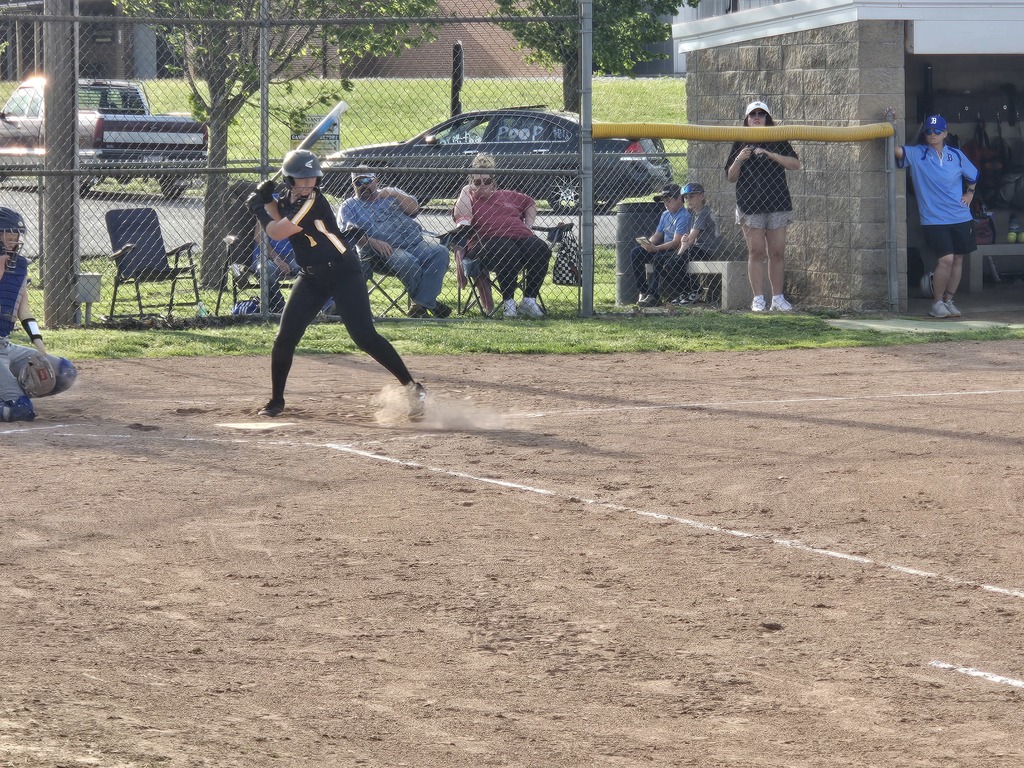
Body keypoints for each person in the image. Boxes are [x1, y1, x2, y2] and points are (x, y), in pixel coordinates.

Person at [248, 149, 426, 419]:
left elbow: (277, 230)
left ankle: (413, 388)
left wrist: (258, 208)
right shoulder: (290, 198)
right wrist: (266, 199)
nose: (307, 184)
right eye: (301, 179)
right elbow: (279, 212)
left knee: (364, 337)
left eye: (312, 179)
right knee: (285, 338)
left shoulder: (313, 202)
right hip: (311, 277)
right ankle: (276, 401)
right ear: (289, 180)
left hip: (343, 272)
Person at [895, 113, 978, 318]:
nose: (932, 134)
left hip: (961, 216)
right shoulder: (917, 153)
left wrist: (970, 193)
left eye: (937, 131)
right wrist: (892, 122)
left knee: (958, 258)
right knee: (946, 259)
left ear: (945, 133)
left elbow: (973, 174)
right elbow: (896, 151)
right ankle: (937, 303)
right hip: (934, 219)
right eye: (929, 131)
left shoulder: (956, 154)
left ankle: (949, 300)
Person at [338, 169, 451, 318]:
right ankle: (428, 304)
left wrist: (395, 193)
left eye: (367, 181)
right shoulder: (349, 206)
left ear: (376, 181)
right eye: (358, 182)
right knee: (406, 261)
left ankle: (421, 305)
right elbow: (348, 232)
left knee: (440, 252)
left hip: (415, 243)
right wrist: (372, 241)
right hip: (384, 252)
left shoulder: (391, 193)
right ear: (353, 186)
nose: (363, 185)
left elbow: (414, 209)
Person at [0, 206, 77, 422]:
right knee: (20, 411)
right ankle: (10, 398)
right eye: (8, 234)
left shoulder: (19, 266)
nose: (14, 240)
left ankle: (9, 392)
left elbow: (23, 310)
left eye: (16, 235)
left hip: (4, 345)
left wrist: (37, 340)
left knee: (64, 373)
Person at [452, 153, 550, 319]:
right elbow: (460, 215)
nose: (483, 185)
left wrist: (528, 226)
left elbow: (530, 203)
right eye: (477, 182)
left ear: (493, 182)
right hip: (485, 243)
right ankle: (509, 303)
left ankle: (529, 300)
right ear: (471, 183)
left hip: (519, 236)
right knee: (506, 249)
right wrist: (465, 190)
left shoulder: (507, 195)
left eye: (487, 181)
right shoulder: (469, 198)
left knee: (540, 248)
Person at [725, 100, 801, 312]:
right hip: (749, 205)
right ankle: (758, 299)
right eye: (753, 114)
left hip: (777, 203)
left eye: (761, 114)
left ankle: (777, 298)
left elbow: (795, 164)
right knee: (756, 251)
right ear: (747, 119)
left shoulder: (778, 138)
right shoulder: (740, 141)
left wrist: (770, 155)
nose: (757, 117)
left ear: (768, 118)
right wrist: (739, 159)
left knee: (777, 251)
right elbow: (731, 177)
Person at [629, 183, 692, 307]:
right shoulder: (665, 214)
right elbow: (657, 235)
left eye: (668, 200)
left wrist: (656, 248)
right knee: (636, 253)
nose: (665, 204)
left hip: (675, 250)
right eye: (664, 201)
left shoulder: (684, 216)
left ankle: (654, 296)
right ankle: (643, 290)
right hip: (662, 247)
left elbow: (676, 243)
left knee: (659, 258)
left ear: (679, 199)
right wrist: (647, 244)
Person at [670, 182, 723, 304]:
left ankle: (694, 290)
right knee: (667, 262)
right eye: (686, 197)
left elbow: (690, 239)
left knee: (674, 262)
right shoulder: (694, 213)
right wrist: (684, 244)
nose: (688, 199)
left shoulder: (703, 213)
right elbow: (689, 239)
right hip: (698, 248)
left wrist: (680, 252)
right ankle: (686, 292)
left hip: (707, 250)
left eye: (692, 196)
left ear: (702, 196)